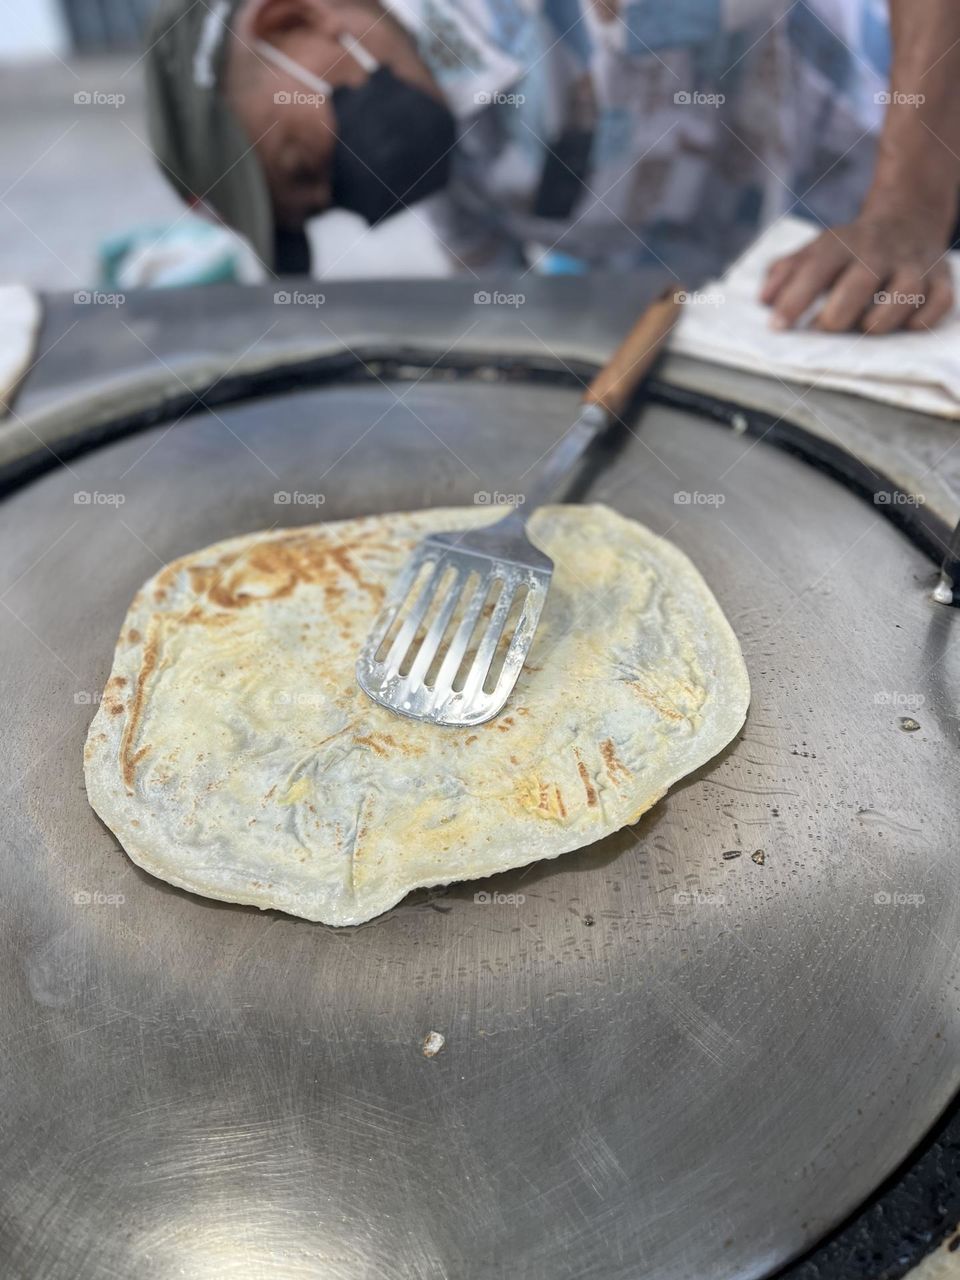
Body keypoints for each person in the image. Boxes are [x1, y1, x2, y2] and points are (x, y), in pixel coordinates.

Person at [145, 0, 959, 332]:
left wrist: (907, 207)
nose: (345, 200)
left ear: (293, 21)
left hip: (910, 181)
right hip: (786, 313)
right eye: (317, 211)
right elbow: (512, 311)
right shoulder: (435, 149)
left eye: (300, 165)